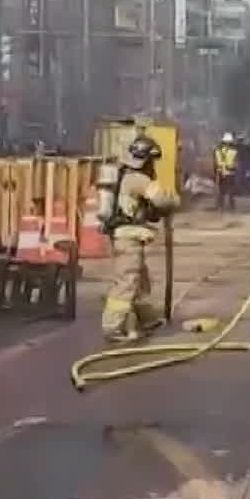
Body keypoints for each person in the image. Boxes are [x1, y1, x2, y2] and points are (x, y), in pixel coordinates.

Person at [94, 135, 180, 343]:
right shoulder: (138, 180)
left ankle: (145, 319)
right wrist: (174, 200)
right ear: (145, 160)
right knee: (127, 282)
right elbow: (163, 199)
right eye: (152, 161)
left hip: (125, 237)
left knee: (140, 281)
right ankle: (112, 326)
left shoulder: (125, 176)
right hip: (128, 238)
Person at [213, 133, 242, 212]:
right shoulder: (234, 151)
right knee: (231, 192)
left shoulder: (217, 150)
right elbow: (237, 163)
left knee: (221, 191)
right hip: (230, 173)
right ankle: (231, 207)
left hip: (220, 173)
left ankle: (220, 207)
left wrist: (216, 173)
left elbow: (215, 163)